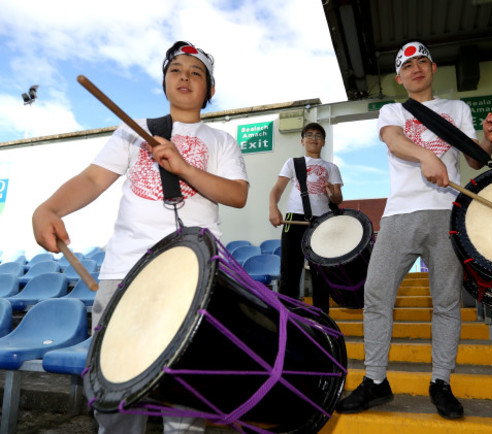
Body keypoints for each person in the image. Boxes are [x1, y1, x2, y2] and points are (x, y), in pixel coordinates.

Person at [32, 40, 249, 434]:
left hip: (196, 273)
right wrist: (48, 209)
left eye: (196, 72)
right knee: (116, 389)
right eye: (176, 70)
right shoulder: (136, 132)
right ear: (164, 82)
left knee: (187, 390)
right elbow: (92, 179)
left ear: (210, 91)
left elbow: (236, 195)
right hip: (126, 269)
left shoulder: (221, 141)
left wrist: (183, 167)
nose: (185, 76)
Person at [336, 40, 492, 419]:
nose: (416, 68)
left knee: (446, 303)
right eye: (407, 64)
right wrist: (426, 155)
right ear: (399, 77)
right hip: (399, 214)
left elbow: (474, 160)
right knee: (376, 295)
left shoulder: (456, 109)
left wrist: (489, 141)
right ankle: (375, 382)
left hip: (447, 213)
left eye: (422, 61)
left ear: (433, 69)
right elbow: (395, 142)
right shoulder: (393, 110)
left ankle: (441, 382)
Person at [268, 122, 343, 314]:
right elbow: (277, 189)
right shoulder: (293, 163)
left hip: (323, 222)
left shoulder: (331, 167)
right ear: (302, 141)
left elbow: (338, 198)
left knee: (322, 275)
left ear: (324, 142)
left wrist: (331, 192)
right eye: (309, 135)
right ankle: (289, 320)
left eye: (318, 136)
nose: (314, 138)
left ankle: (321, 321)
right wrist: (273, 208)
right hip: (294, 219)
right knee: (290, 273)